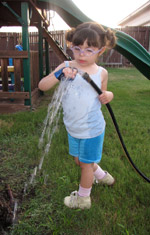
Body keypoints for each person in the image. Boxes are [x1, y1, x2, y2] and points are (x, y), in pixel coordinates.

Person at [38, 22, 116, 209]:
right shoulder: (66, 66)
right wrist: (59, 74)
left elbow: (102, 96)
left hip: (92, 128)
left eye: (89, 50)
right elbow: (42, 86)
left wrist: (109, 95)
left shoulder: (101, 73)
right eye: (77, 48)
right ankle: (102, 177)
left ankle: (83, 199)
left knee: (85, 164)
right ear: (71, 46)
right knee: (79, 160)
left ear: (100, 50)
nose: (82, 54)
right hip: (73, 128)